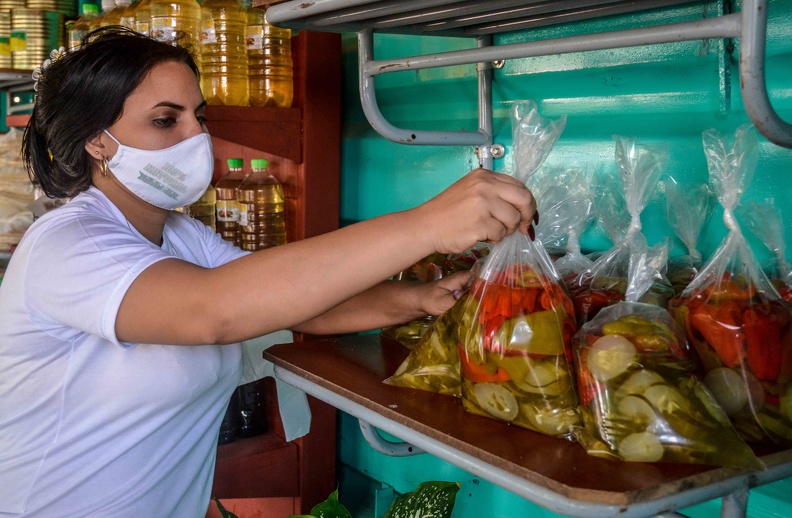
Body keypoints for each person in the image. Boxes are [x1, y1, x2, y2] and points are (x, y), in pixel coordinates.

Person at [0, 28, 537, 517]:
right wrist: (426, 226)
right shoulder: (71, 244)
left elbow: (291, 298)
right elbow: (214, 310)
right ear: (97, 141)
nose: (195, 138)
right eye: (167, 120)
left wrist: (417, 300)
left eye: (199, 117)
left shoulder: (181, 236)